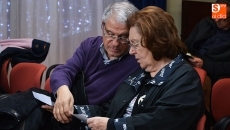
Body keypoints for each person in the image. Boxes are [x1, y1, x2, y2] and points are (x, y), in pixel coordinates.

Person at [72, 6, 205, 130]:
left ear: (155, 43)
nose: (131, 51)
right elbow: (110, 110)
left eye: (135, 44)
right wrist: (72, 111)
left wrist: (111, 125)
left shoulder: (185, 80)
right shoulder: (140, 75)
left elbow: (161, 121)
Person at [42, 1, 140, 124]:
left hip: (92, 118)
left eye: (123, 37)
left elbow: (112, 109)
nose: (115, 43)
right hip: (68, 107)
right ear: (103, 26)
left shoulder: (138, 60)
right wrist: (63, 91)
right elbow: (64, 70)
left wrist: (75, 111)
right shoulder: (90, 45)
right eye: (110, 34)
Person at [184, 0, 230, 84]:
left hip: (214, 75)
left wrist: (205, 65)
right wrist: (186, 55)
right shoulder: (206, 23)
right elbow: (187, 44)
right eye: (215, 15)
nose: (216, 20)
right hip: (191, 64)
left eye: (222, 18)